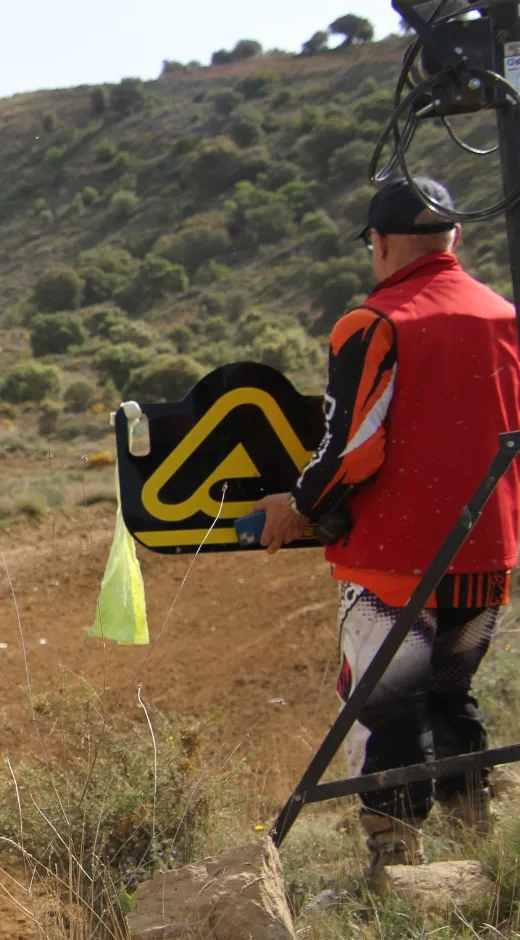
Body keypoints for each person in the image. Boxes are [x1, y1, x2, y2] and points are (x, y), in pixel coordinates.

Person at [251, 175, 520, 871]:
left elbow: (354, 445)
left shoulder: (375, 324)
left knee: (385, 705)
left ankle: (395, 865)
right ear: (454, 237)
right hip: (488, 554)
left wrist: (300, 507)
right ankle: (479, 856)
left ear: (381, 243)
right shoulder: (504, 316)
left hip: (394, 563)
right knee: (450, 695)